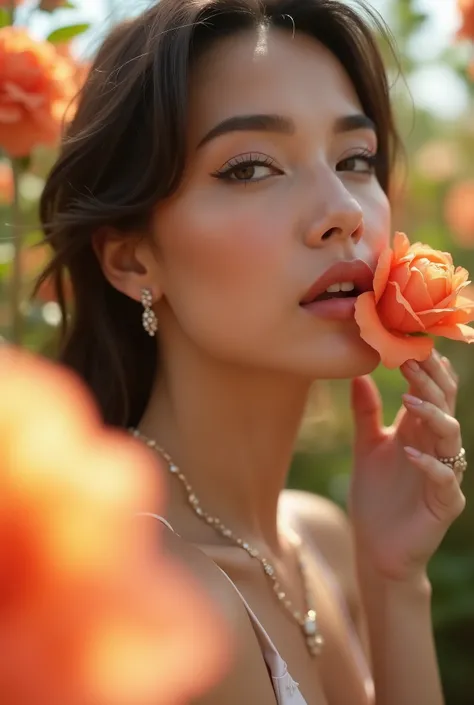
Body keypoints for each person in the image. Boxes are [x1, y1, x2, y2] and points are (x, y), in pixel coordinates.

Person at [36, 0, 467, 703]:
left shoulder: (326, 540)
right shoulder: (148, 592)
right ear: (132, 259)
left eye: (355, 158)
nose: (343, 212)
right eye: (251, 168)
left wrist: (395, 580)